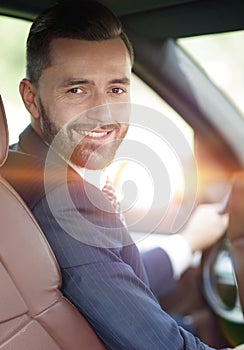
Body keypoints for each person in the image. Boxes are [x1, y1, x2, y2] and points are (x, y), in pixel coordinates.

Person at [2, 1, 242, 349]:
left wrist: (186, 243)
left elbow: (103, 277)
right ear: (32, 98)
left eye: (116, 89)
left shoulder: (16, 170)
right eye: (77, 90)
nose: (104, 116)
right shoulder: (64, 202)